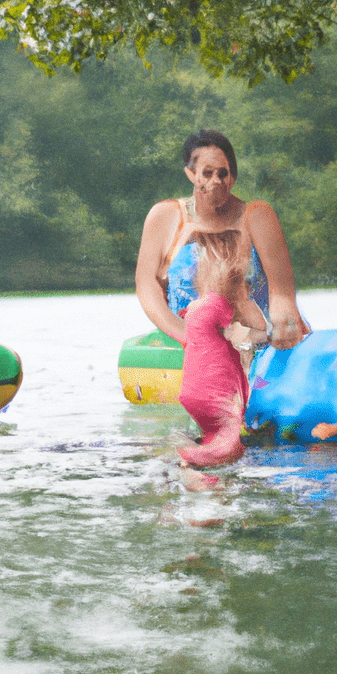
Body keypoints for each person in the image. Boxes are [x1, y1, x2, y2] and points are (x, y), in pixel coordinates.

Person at [135, 129, 308, 352]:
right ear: (190, 173)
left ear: (233, 177)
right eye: (207, 173)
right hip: (188, 340)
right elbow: (146, 286)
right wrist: (187, 335)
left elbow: (282, 291)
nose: (216, 181)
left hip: (258, 338)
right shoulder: (166, 216)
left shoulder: (257, 216)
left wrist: (285, 323)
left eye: (223, 174)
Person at [176, 230, 269, 468]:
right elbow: (260, 335)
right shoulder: (229, 306)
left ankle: (194, 464)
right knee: (229, 445)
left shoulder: (198, 308)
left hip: (193, 393)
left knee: (214, 434)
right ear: (241, 287)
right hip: (216, 394)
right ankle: (196, 463)